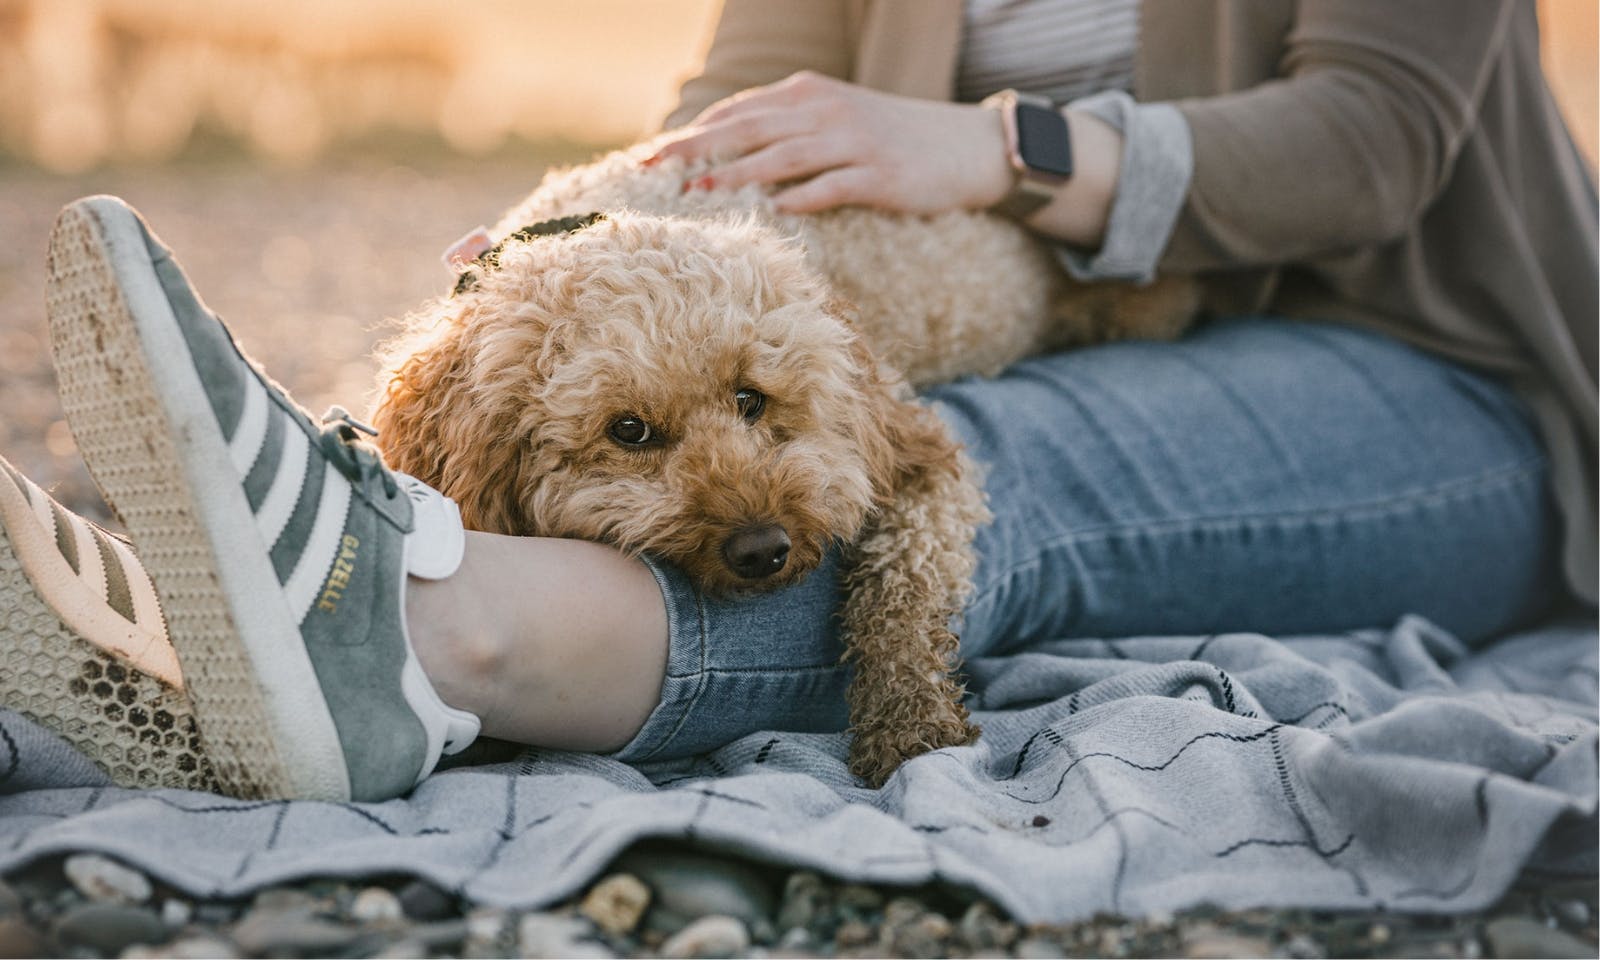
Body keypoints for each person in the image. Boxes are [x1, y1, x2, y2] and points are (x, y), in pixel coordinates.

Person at [0, 0, 1591, 802]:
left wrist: (998, 148)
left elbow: (1372, 138)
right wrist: (606, 219)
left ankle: (427, 634)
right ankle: (251, 602)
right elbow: (736, 108)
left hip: (1422, 373)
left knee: (940, 469)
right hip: (1032, 326)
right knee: (666, 379)